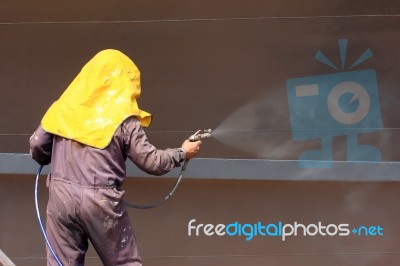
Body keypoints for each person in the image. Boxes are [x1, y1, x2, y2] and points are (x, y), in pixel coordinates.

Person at [29, 49, 201, 266]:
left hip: (61, 197)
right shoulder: (124, 119)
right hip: (101, 202)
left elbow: (36, 145)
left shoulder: (63, 108)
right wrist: (182, 152)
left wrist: (51, 159)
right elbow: (152, 162)